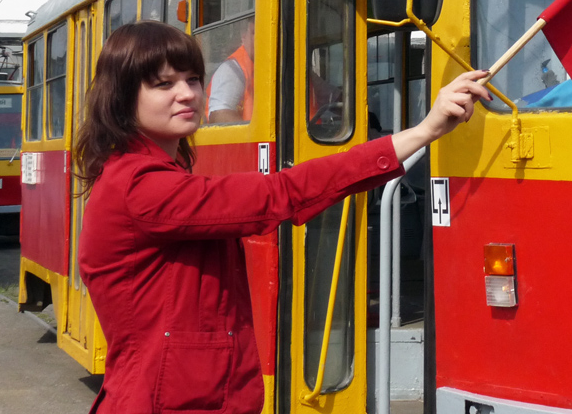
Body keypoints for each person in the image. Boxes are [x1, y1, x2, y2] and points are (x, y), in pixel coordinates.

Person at [74, 21, 490, 414]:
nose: (186, 94)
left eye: (193, 80)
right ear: (123, 98)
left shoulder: (144, 176)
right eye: (163, 84)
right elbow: (280, 193)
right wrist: (423, 131)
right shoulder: (140, 187)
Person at [207, 18, 254, 123]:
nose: (260, 38)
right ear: (243, 36)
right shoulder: (233, 69)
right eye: (254, 33)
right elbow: (220, 115)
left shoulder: (267, 65)